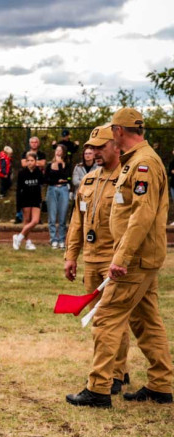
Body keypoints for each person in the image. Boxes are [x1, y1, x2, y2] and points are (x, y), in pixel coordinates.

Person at [66, 108, 173, 407]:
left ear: (119, 132)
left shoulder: (143, 164)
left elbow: (143, 215)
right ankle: (161, 384)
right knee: (146, 320)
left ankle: (99, 387)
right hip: (139, 257)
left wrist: (121, 257)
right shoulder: (136, 161)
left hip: (135, 259)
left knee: (106, 316)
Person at [63, 125, 131, 396]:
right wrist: (71, 255)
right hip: (91, 259)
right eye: (91, 148)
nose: (94, 152)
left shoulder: (126, 179)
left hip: (114, 259)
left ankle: (115, 372)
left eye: (100, 147)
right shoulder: (88, 180)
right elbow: (76, 222)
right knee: (100, 317)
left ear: (116, 146)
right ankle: (113, 369)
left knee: (111, 317)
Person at [13, 151, 43, 251]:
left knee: (35, 221)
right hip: (25, 200)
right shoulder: (22, 173)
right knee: (26, 221)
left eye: (32, 160)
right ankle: (27, 242)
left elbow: (43, 181)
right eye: (28, 160)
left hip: (36, 200)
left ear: (36, 161)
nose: (30, 162)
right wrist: (18, 205)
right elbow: (18, 189)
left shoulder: (38, 172)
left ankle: (19, 237)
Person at [45, 144, 71, 249]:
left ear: (63, 153)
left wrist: (60, 165)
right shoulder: (49, 165)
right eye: (57, 150)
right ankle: (53, 239)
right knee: (52, 216)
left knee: (62, 216)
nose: (58, 152)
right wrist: (57, 181)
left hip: (64, 189)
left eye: (60, 150)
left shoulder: (67, 165)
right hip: (51, 190)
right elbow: (46, 179)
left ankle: (61, 239)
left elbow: (66, 178)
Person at [15, 137, 47, 223]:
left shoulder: (42, 154)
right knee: (27, 219)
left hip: (37, 180)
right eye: (32, 142)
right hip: (26, 191)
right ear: (29, 143)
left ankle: (37, 217)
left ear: (38, 143)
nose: (34, 144)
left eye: (35, 142)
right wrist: (37, 163)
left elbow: (43, 164)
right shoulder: (24, 153)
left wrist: (33, 163)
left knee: (39, 195)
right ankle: (24, 235)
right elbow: (23, 164)